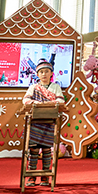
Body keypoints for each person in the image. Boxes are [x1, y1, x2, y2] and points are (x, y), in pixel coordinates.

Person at [21, 59, 65, 187]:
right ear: (37, 74)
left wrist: (50, 104)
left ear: (51, 73)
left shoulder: (55, 87)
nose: (44, 74)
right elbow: (26, 100)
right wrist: (38, 104)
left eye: (46, 71)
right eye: (41, 72)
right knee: (33, 149)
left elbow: (60, 101)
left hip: (49, 123)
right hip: (35, 123)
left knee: (46, 150)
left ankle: (45, 177)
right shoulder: (33, 87)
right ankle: (31, 177)